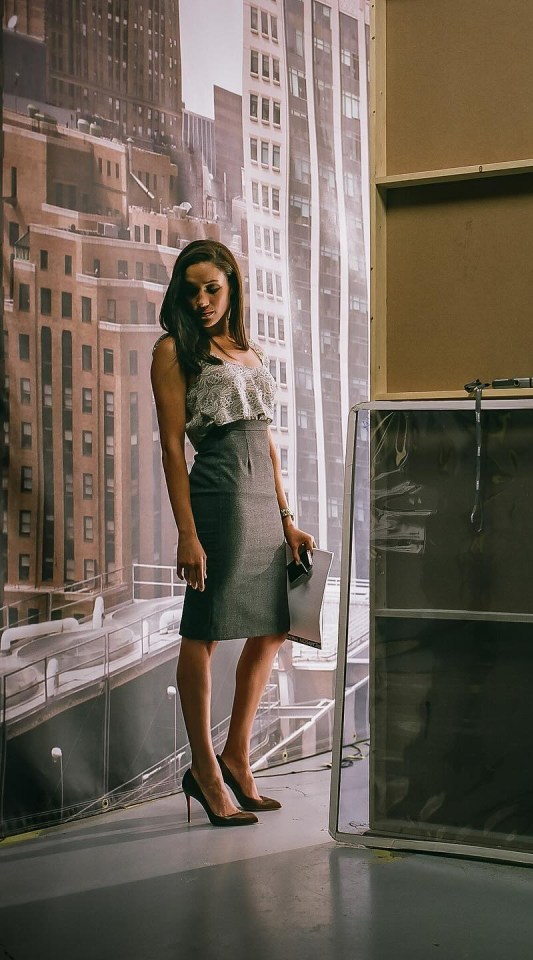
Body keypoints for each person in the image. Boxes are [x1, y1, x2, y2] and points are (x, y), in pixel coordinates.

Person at [151, 239, 314, 827]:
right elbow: (172, 447)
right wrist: (186, 533)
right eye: (190, 290)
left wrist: (288, 517)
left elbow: (266, 442)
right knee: (203, 632)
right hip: (217, 498)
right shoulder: (173, 351)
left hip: (261, 504)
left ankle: (238, 758)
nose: (201, 300)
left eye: (212, 288)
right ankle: (206, 772)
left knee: (273, 626)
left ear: (231, 287)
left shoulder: (246, 350)